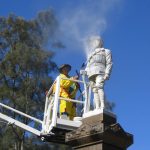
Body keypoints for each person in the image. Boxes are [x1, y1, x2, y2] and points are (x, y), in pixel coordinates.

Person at [84, 36, 113, 110]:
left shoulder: (106, 51)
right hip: (91, 73)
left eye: (97, 41)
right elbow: (88, 64)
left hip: (100, 71)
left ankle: (102, 105)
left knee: (99, 86)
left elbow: (109, 63)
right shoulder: (91, 54)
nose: (95, 43)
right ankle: (97, 107)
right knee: (94, 90)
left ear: (101, 42)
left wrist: (107, 73)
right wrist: (86, 71)